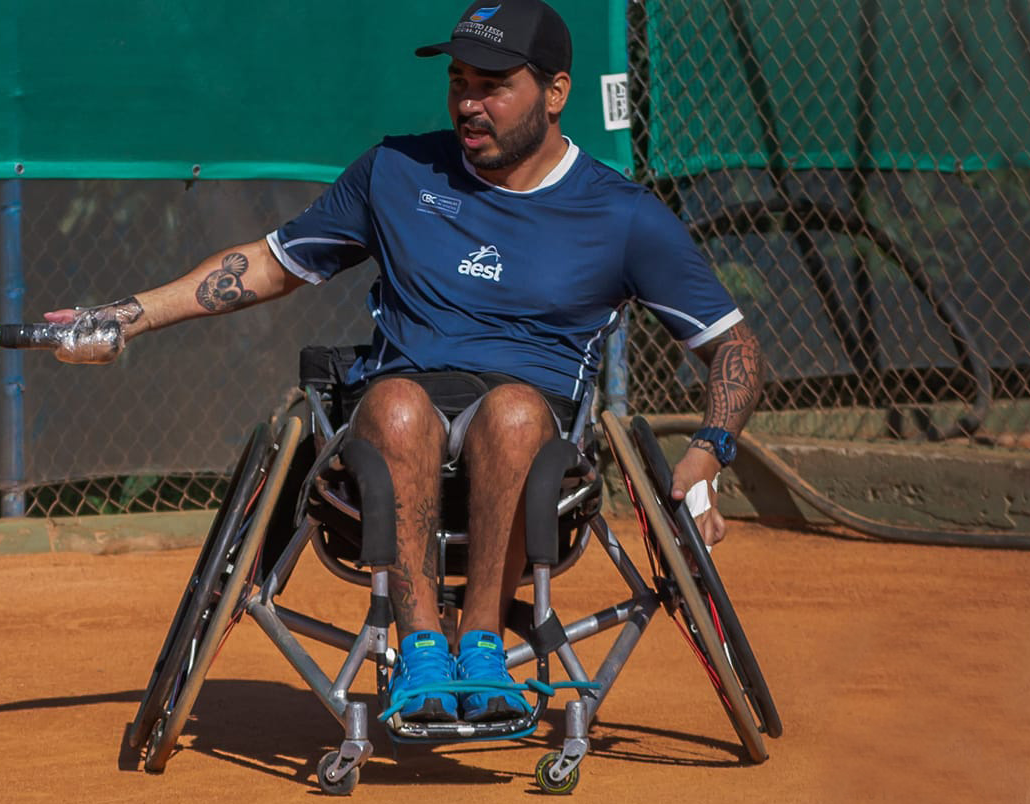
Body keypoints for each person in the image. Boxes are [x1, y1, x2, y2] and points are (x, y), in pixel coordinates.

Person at [45, 0, 767, 725]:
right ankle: (422, 651)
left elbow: (731, 343)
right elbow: (270, 264)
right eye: (458, 81)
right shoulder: (396, 171)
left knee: (515, 411)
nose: (468, 104)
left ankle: (481, 647)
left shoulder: (625, 215)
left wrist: (710, 449)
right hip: (397, 418)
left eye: (493, 85)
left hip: (537, 437)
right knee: (392, 404)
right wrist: (125, 317)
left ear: (555, 93)